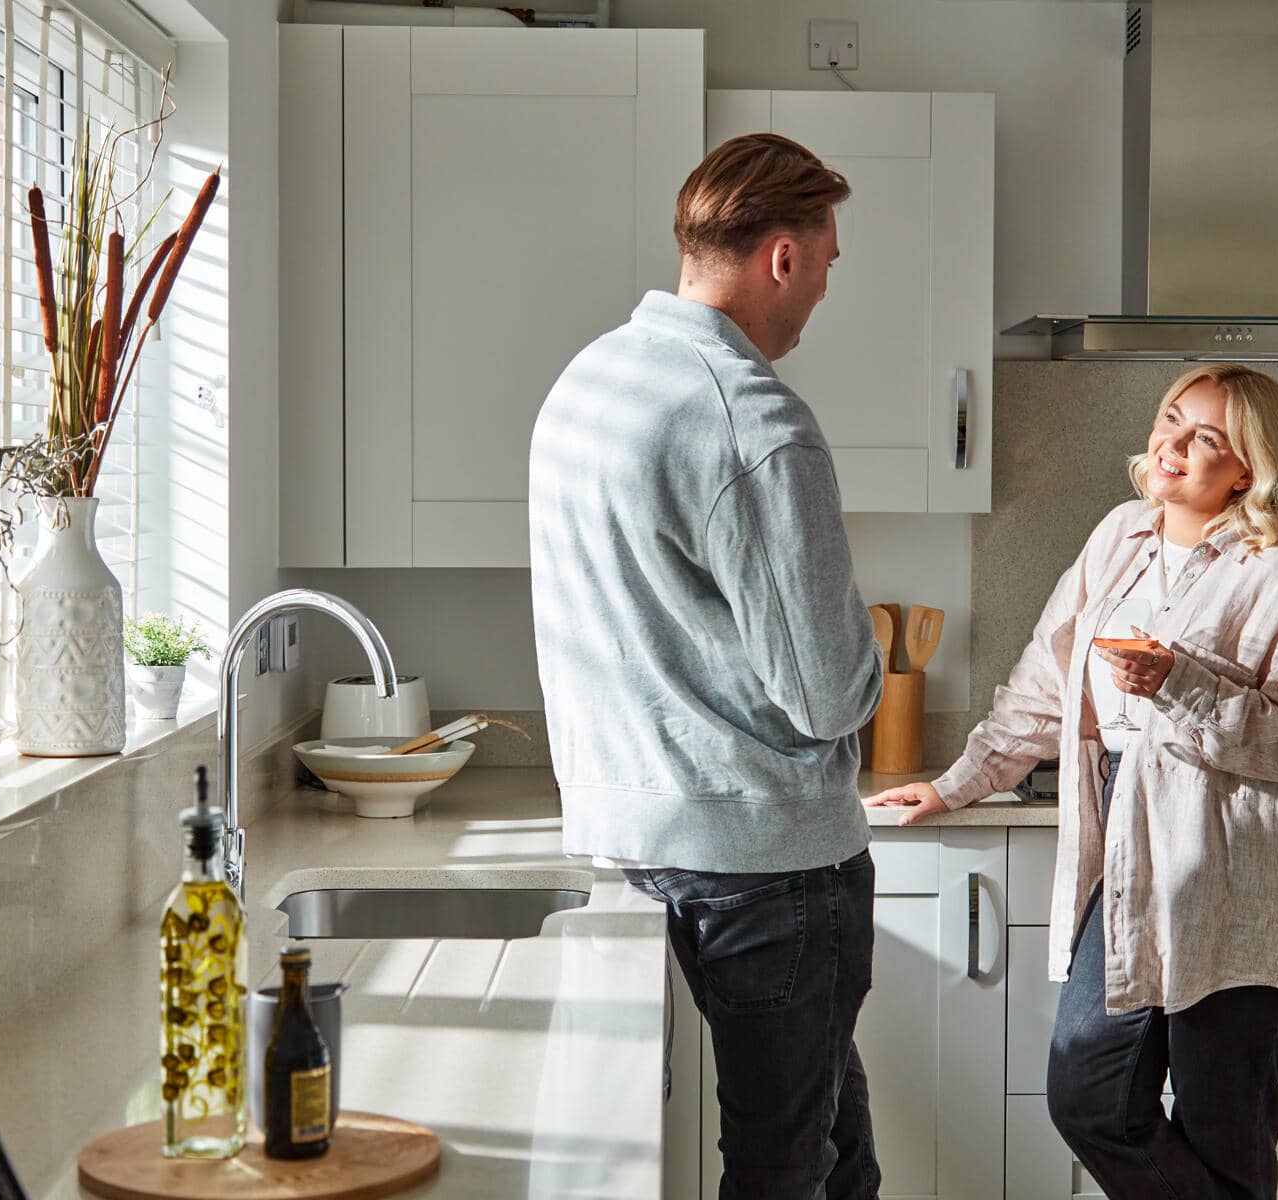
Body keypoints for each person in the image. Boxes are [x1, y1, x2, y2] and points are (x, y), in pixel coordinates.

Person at [867, 365, 1278, 1199]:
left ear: (1247, 468)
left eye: (1207, 437)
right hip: (1134, 851)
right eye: (1173, 419)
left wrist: (1180, 682)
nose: (1173, 444)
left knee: (1223, 1123)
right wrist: (960, 782)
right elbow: (1045, 679)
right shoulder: (1121, 537)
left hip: (1239, 870)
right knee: (1089, 1091)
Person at [529, 133, 884, 1199]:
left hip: (631, 844)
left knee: (829, 1151)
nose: (824, 283)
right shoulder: (753, 418)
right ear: (782, 255)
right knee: (788, 1167)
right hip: (766, 865)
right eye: (826, 258)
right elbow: (826, 693)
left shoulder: (591, 381)